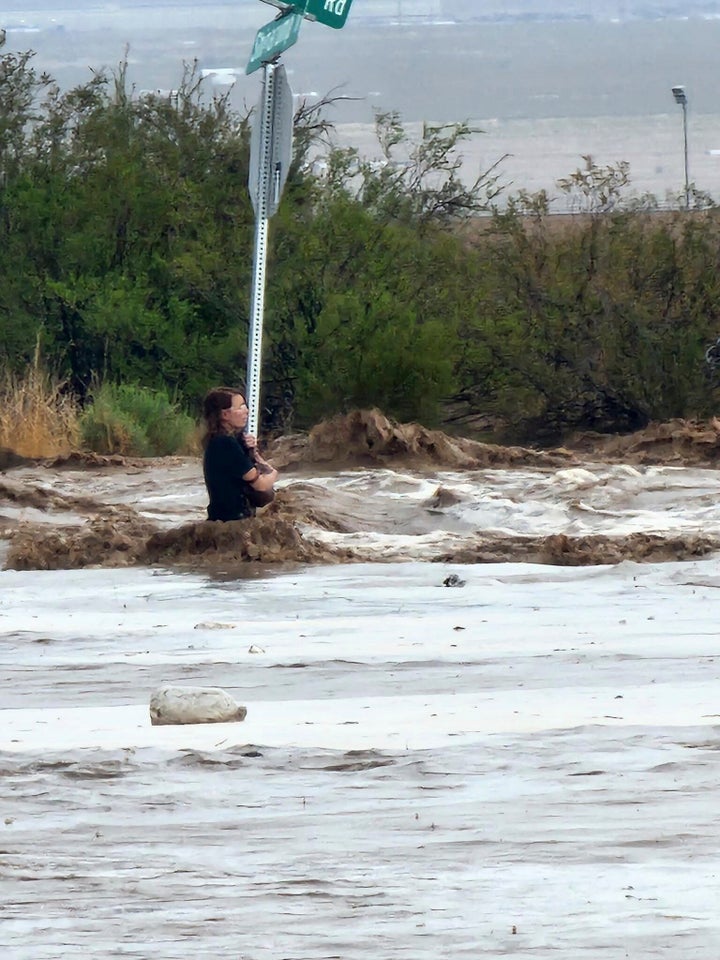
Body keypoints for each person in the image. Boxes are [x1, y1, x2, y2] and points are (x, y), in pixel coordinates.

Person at [201, 387, 278, 522]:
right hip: (233, 523)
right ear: (225, 415)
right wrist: (273, 473)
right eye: (240, 407)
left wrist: (251, 449)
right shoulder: (225, 444)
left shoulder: (223, 441)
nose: (246, 411)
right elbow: (261, 486)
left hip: (223, 521)